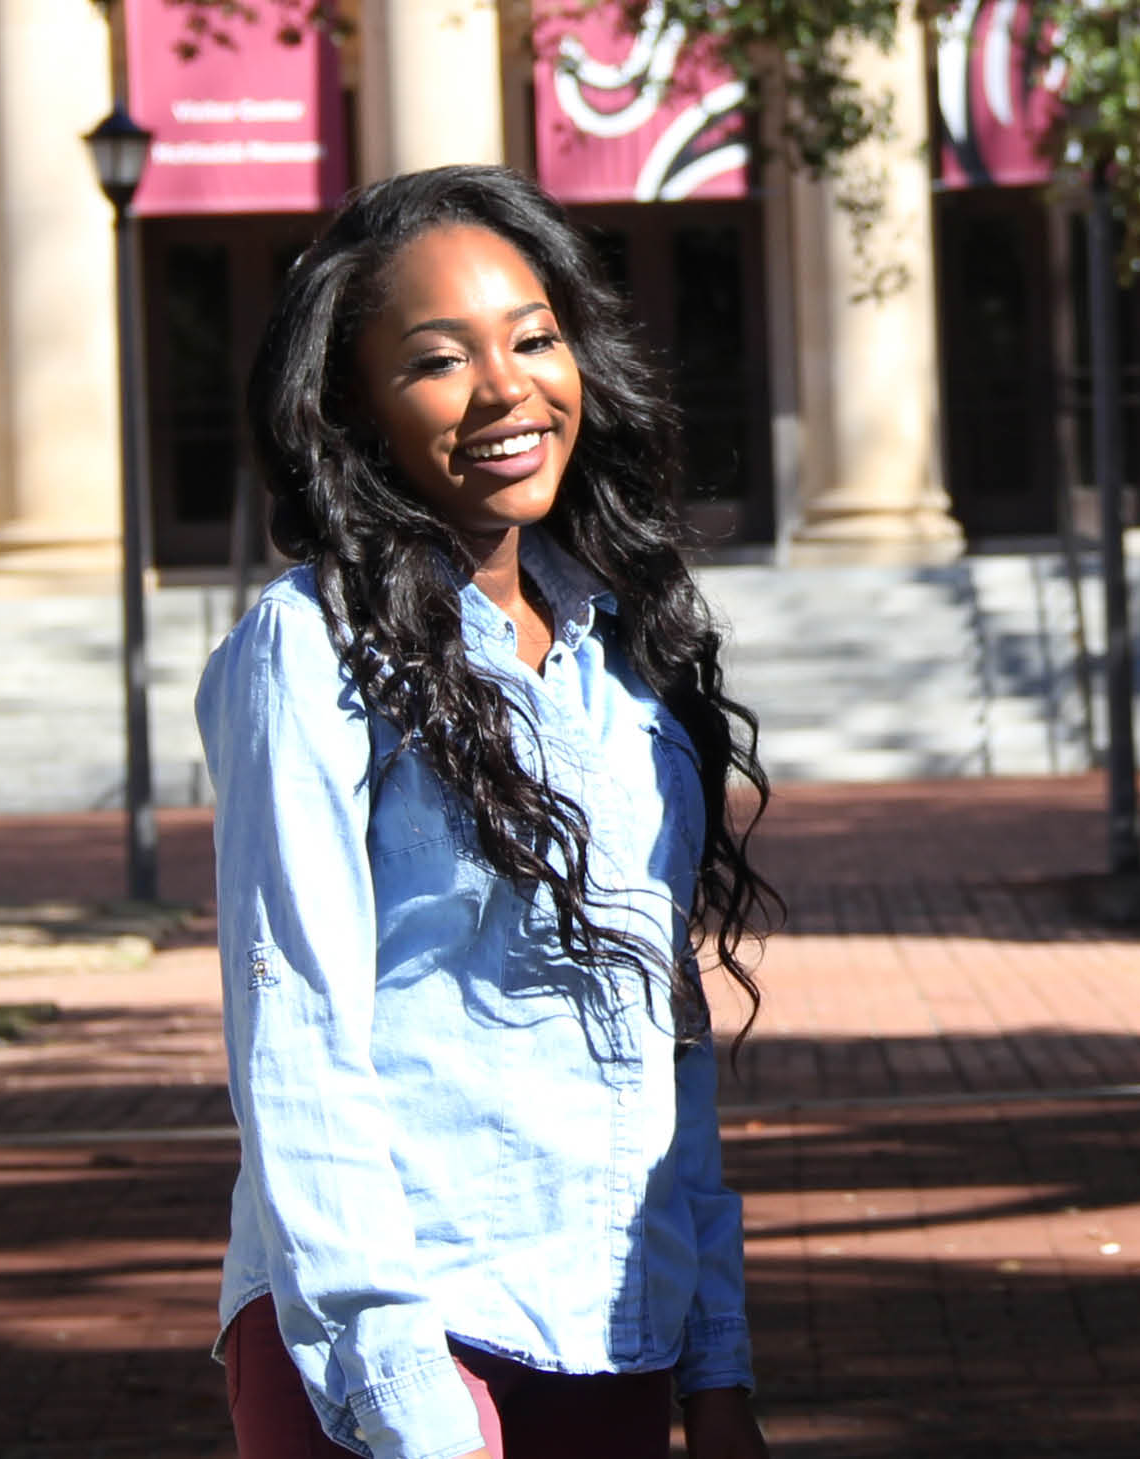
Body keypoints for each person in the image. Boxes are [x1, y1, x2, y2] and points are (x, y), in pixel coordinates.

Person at [199, 164, 778, 1459]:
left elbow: (658, 1031)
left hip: (611, 1329)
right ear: (351, 407)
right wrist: (407, 1390)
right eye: (438, 361)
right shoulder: (312, 649)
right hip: (396, 1338)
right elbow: (293, 1028)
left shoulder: (620, 655)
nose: (507, 387)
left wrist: (715, 1367)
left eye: (533, 339)